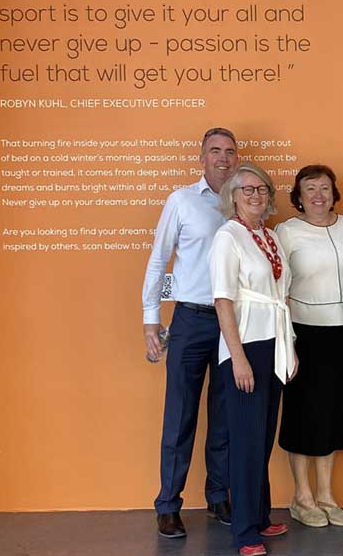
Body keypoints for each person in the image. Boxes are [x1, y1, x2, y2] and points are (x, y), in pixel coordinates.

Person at [142, 126, 237, 538]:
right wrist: (151, 320)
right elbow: (159, 258)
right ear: (202, 158)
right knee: (179, 415)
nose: (222, 158)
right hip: (190, 320)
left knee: (225, 417)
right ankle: (168, 504)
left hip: (233, 323)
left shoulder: (244, 201)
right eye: (214, 151)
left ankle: (218, 497)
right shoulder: (181, 201)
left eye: (229, 152)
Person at [211, 163, 298, 556]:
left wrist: (289, 348)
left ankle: (260, 515)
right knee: (245, 441)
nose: (255, 195)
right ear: (232, 195)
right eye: (247, 190)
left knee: (262, 438)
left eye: (261, 189)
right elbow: (223, 300)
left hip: (273, 343)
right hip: (245, 345)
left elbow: (284, 297)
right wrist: (238, 357)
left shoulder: (269, 236)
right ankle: (245, 531)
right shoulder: (228, 237)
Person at [275, 165, 343, 528]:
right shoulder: (287, 231)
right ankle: (302, 497)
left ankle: (326, 495)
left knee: (334, 414)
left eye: (324, 188)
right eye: (310, 189)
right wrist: (287, 340)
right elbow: (278, 287)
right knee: (304, 415)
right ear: (299, 195)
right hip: (304, 334)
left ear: (334, 192)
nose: (318, 195)